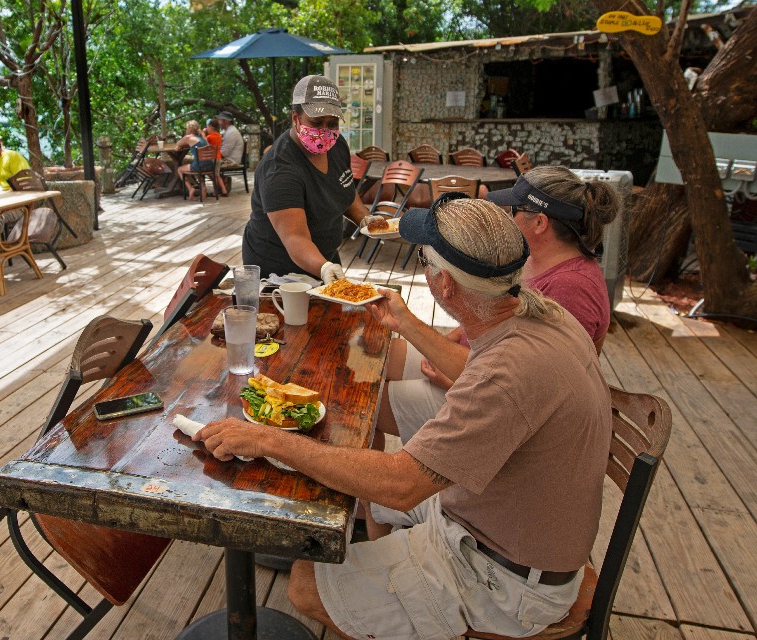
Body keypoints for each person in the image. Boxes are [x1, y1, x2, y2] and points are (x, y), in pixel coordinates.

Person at [194, 195, 612, 640]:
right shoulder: (542, 317)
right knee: (367, 490)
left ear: (446, 285)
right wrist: (407, 323)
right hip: (510, 523)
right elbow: (482, 375)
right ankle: (390, 576)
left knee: (305, 583)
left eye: (424, 261)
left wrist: (266, 440)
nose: (425, 272)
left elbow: (401, 486)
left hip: (508, 579)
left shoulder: (506, 374)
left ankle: (410, 610)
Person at [374, 166, 621, 442]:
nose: (507, 216)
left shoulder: (573, 288)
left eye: (513, 209)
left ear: (540, 222)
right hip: (472, 365)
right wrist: (449, 340)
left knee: (368, 401)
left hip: (489, 400)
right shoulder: (531, 258)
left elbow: (531, 389)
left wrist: (452, 382)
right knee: (376, 358)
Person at [242, 75, 371, 281]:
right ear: (296, 118)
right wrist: (324, 268)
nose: (325, 131)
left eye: (332, 123)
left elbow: (343, 188)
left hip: (324, 256)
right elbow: (295, 237)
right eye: (317, 122)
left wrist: (365, 218)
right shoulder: (279, 170)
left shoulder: (337, 145)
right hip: (278, 268)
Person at [175, 120, 214, 200]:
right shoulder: (202, 138)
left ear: (190, 129)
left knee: (179, 169)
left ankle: (190, 188)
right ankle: (203, 189)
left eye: (186, 128)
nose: (186, 130)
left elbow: (178, 144)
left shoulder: (188, 137)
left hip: (200, 166)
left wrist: (180, 145)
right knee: (196, 169)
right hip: (210, 165)